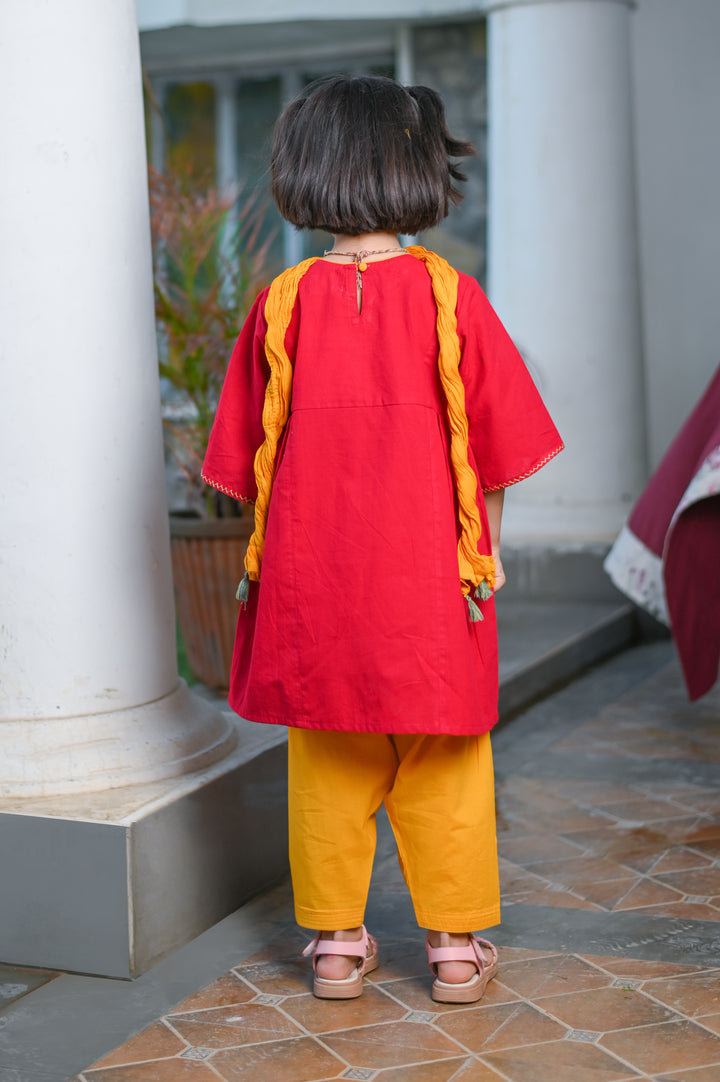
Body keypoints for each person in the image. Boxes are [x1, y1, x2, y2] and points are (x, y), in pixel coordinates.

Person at [202, 74, 563, 1003]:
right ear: (417, 169)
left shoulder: (280, 305)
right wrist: (489, 558)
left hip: (310, 584)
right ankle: (449, 949)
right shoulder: (452, 297)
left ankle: (334, 948)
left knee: (326, 757)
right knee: (445, 753)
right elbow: (496, 452)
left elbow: (248, 464)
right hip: (431, 583)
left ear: (304, 171)